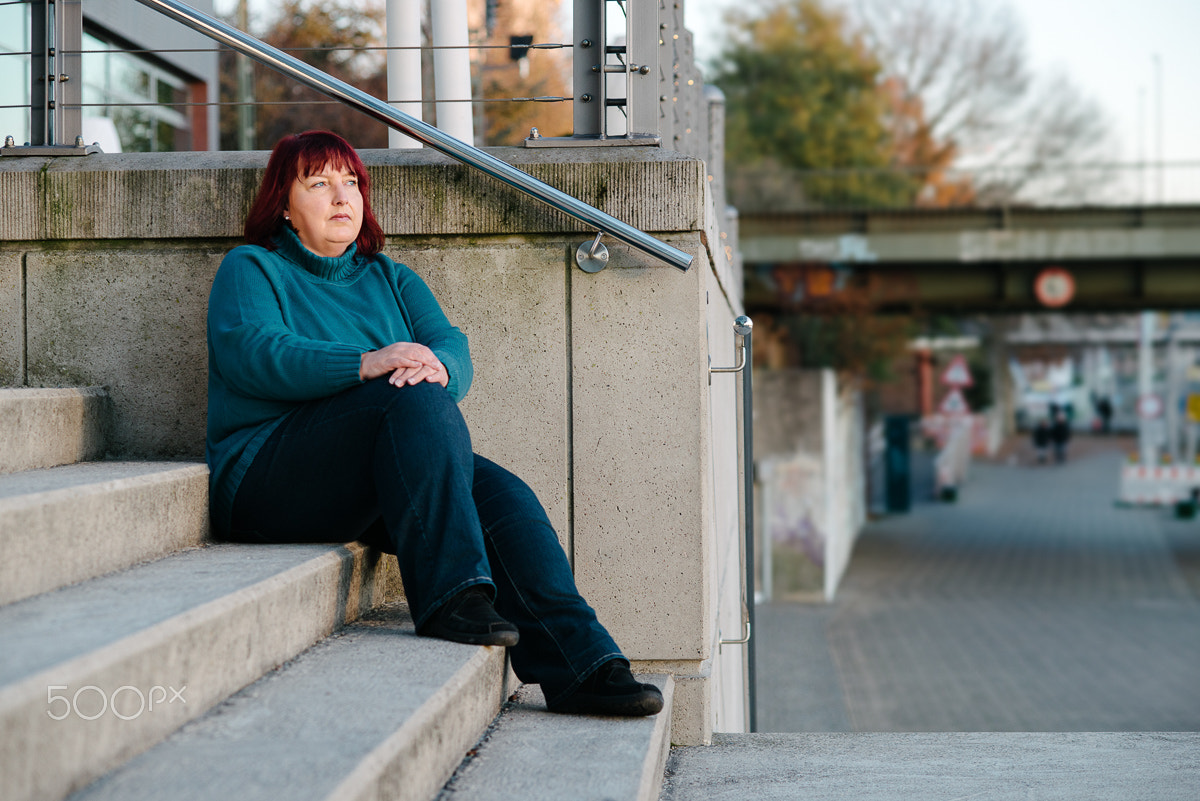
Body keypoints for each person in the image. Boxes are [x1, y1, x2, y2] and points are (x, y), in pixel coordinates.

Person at [205, 130, 663, 717]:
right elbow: (254, 353)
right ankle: (453, 595)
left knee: (500, 493)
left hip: (369, 476)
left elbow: (451, 346)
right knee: (410, 398)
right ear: (285, 206)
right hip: (266, 477)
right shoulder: (252, 268)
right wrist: (370, 362)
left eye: (351, 183)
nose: (340, 196)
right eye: (318, 183)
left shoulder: (389, 277)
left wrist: (437, 365)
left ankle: (581, 664)